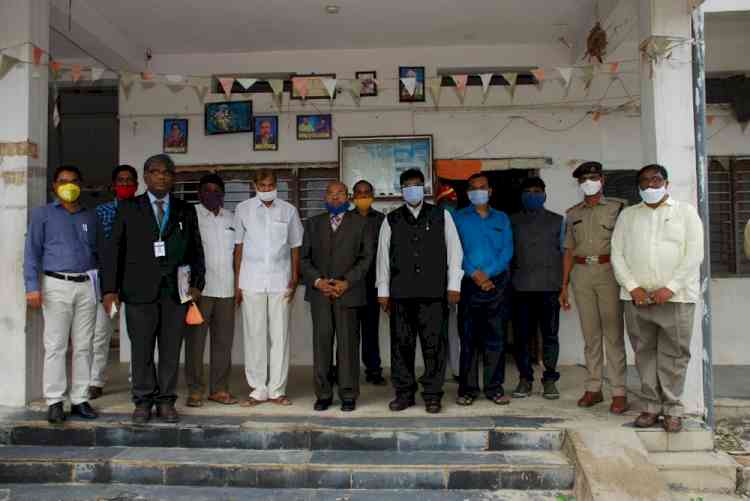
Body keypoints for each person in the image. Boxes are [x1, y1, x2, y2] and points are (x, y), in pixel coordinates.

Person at [101, 154, 205, 424]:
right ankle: (143, 401)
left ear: (174, 177)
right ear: (145, 176)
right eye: (156, 172)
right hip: (138, 291)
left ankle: (166, 401)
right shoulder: (128, 208)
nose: (162, 176)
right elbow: (115, 250)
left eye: (167, 172)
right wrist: (110, 289)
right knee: (142, 350)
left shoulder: (185, 209)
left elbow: (196, 250)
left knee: (171, 350)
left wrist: (197, 284)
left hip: (175, 292)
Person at [611, 164, 704, 433]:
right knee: (644, 353)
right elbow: (617, 254)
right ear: (638, 187)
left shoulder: (685, 213)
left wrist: (671, 287)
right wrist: (633, 287)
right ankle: (651, 406)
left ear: (667, 183)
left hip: (676, 298)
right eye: (645, 182)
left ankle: (673, 409)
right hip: (637, 299)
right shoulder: (628, 216)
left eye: (656, 180)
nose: (651, 186)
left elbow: (694, 255)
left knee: (674, 355)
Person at [376, 168, 464, 414]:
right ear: (401, 190)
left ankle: (433, 394)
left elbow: (455, 251)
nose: (411, 189)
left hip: (433, 293)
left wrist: (454, 285)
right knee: (401, 346)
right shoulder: (390, 219)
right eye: (407, 186)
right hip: (401, 293)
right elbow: (382, 257)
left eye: (416, 185)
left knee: (434, 346)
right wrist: (382, 290)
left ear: (423, 188)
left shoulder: (441, 215)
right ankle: (404, 393)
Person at [24, 165, 100, 424]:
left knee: (83, 345)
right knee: (55, 345)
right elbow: (31, 252)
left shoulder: (90, 216)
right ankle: (55, 400)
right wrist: (31, 286)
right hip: (55, 284)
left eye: (74, 181)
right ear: (54, 186)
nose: (69, 185)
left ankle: (80, 398)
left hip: (87, 284)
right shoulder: (43, 215)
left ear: (81, 185)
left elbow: (97, 251)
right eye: (63, 181)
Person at [560, 161, 628, 415]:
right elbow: (568, 250)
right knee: (590, 335)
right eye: (584, 179)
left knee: (613, 334)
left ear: (602, 180)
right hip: (581, 274)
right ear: (579, 184)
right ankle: (594, 387)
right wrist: (563, 285)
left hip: (609, 272)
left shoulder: (618, 207)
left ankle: (619, 391)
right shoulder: (573, 213)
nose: (589, 182)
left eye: (593, 177)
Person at [301, 182, 374, 412]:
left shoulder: (362, 223)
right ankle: (323, 394)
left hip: (348, 293)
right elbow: (304, 259)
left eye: (340, 194)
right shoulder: (313, 224)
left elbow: (366, 258)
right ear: (325, 197)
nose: (335, 198)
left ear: (348, 197)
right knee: (322, 344)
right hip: (320, 293)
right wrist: (318, 281)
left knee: (347, 345)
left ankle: (348, 394)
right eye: (331, 194)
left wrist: (346, 282)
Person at [234, 169, 303, 407]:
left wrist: (294, 278)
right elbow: (239, 247)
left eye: (270, 184)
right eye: (262, 185)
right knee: (254, 335)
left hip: (280, 280)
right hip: (250, 280)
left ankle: (277, 389)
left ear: (277, 185)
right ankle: (258, 389)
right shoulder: (243, 209)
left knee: (280, 335)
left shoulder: (289, 210)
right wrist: (237, 283)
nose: (266, 189)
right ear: (255, 186)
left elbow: (295, 246)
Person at [454, 173, 513, 406]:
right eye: (473, 188)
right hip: (468, 283)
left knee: (496, 338)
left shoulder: (502, 218)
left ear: (490, 191)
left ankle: (494, 388)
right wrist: (474, 273)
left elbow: (507, 251)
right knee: (468, 339)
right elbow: (454, 251)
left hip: (497, 283)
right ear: (468, 192)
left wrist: (487, 274)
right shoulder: (458, 218)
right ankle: (467, 389)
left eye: (482, 187)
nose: (478, 191)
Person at [184, 174, 238, 408]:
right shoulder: (190, 215)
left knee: (223, 343)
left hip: (227, 290)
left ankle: (219, 389)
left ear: (223, 195)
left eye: (217, 190)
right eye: (207, 190)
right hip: (199, 291)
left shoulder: (232, 218)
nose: (212, 194)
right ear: (199, 193)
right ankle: (195, 390)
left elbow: (238, 253)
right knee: (195, 343)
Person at [510, 177, 564, 400]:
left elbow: (564, 254)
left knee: (550, 335)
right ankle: (525, 378)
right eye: (528, 191)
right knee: (522, 337)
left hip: (550, 287)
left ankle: (550, 379)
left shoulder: (558, 221)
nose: (533, 195)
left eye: (537, 190)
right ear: (522, 195)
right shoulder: (511, 221)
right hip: (520, 287)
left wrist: (564, 286)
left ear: (544, 193)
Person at [89, 165, 138, 400]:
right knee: (102, 331)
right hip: (109, 284)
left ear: (137, 185)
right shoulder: (102, 212)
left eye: (130, 180)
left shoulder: (142, 209)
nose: (126, 184)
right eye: (121, 180)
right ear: (113, 184)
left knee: (136, 333)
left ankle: (137, 380)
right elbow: (97, 246)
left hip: (136, 282)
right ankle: (95, 380)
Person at [352, 180, 386, 385]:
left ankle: (373, 371)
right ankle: (345, 371)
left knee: (371, 331)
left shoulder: (382, 220)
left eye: (367, 192)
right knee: (347, 331)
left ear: (373, 194)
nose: (363, 196)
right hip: (351, 285)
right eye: (359, 192)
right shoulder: (346, 219)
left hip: (373, 285)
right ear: (352, 196)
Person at [435, 184, 461, 382]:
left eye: (451, 202)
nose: (448, 206)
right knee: (438, 330)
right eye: (444, 202)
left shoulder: (462, 221)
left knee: (457, 329)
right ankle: (441, 370)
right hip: (435, 283)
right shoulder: (434, 220)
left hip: (460, 282)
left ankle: (458, 369)